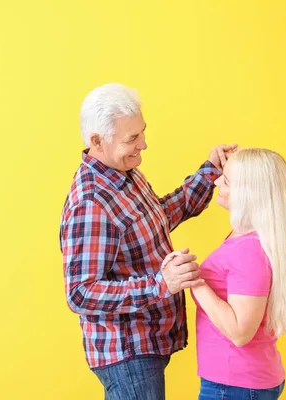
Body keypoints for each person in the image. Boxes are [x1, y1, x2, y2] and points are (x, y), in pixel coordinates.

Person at [59, 82, 237, 400]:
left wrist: (210, 173)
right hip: (127, 353)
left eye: (142, 132)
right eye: (132, 139)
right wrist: (160, 284)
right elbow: (81, 294)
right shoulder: (91, 201)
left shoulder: (124, 171)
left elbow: (156, 218)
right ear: (97, 141)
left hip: (148, 341)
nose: (144, 144)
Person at [164, 148, 286, 400]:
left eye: (227, 180)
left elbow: (240, 332)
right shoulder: (247, 238)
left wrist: (194, 280)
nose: (218, 181)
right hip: (239, 382)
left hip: (234, 385)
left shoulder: (248, 250)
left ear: (249, 194)